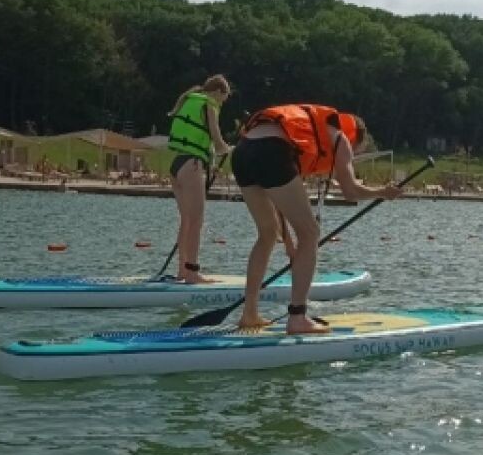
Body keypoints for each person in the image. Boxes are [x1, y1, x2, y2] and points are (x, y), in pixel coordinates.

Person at [230, 103, 402, 333]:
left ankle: (249, 314)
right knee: (310, 233)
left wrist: (291, 247)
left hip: (242, 151)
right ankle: (298, 318)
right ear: (356, 138)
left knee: (267, 233)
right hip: (270, 152)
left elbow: (278, 200)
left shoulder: (305, 134)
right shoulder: (341, 139)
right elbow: (350, 191)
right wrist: (382, 192)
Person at [166, 74, 232, 283]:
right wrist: (230, 149)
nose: (223, 102)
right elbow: (218, 141)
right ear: (218, 92)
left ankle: (182, 271)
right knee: (196, 221)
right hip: (192, 165)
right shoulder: (209, 105)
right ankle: (192, 272)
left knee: (187, 220)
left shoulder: (190, 100)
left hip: (177, 165)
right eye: (225, 98)